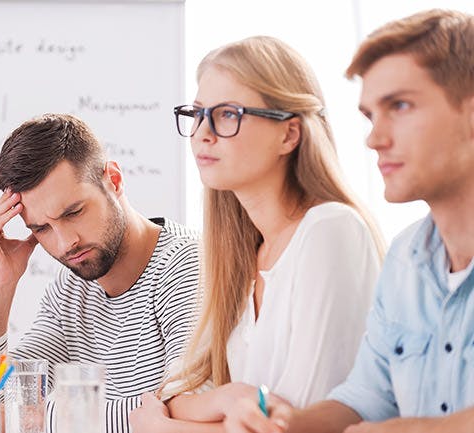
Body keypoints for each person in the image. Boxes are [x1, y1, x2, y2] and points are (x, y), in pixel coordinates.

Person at [222, 9, 474, 433]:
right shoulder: (405, 261)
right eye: (371, 116)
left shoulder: (332, 230)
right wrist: (288, 424)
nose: (375, 138)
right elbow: (366, 398)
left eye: (400, 105)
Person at [129, 36, 384, 432]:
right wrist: (231, 397)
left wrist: (161, 427)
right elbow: (176, 389)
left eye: (228, 114)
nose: (202, 133)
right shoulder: (238, 256)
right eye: (196, 114)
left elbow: (290, 424)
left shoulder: (330, 231)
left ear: (289, 134)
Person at [0, 113, 200, 433]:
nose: (66, 243)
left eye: (73, 213)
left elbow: (188, 408)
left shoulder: (188, 267)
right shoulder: (70, 288)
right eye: (42, 229)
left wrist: (27, 417)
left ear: (114, 180)